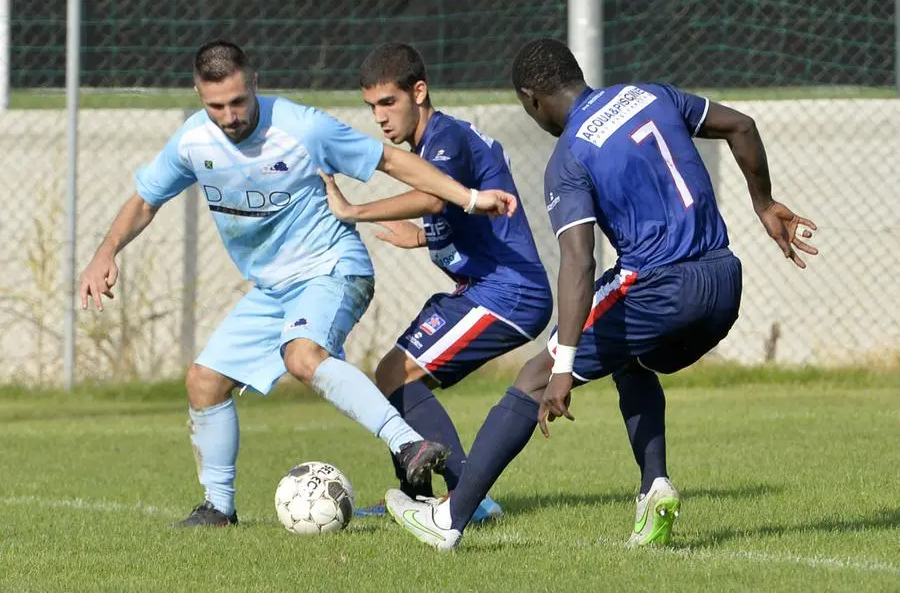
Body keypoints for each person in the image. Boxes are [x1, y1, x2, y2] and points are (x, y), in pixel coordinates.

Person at [385, 38, 818, 550]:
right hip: (724, 281)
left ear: (532, 99)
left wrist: (562, 365)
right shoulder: (649, 95)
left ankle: (449, 520)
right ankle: (653, 487)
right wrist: (764, 204)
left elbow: (579, 261)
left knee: (533, 376)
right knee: (628, 356)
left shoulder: (569, 157)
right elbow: (741, 126)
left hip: (660, 287)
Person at [78, 39, 517, 528]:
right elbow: (144, 199)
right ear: (201, 98)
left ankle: (408, 444)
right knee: (204, 382)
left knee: (302, 355)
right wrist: (105, 252)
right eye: (215, 105)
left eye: (238, 102)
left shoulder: (301, 127)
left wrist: (469, 197)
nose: (228, 116)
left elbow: (390, 163)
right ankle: (218, 507)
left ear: (255, 85)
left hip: (333, 268)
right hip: (272, 289)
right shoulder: (192, 141)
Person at [318, 42, 552, 522]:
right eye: (372, 107)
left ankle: (468, 496)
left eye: (388, 103)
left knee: (397, 375)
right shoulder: (437, 144)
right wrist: (422, 238)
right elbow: (460, 215)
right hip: (485, 288)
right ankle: (417, 496)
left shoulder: (445, 138)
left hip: (510, 292)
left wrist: (354, 211)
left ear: (418, 92)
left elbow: (435, 199)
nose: (380, 118)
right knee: (391, 373)